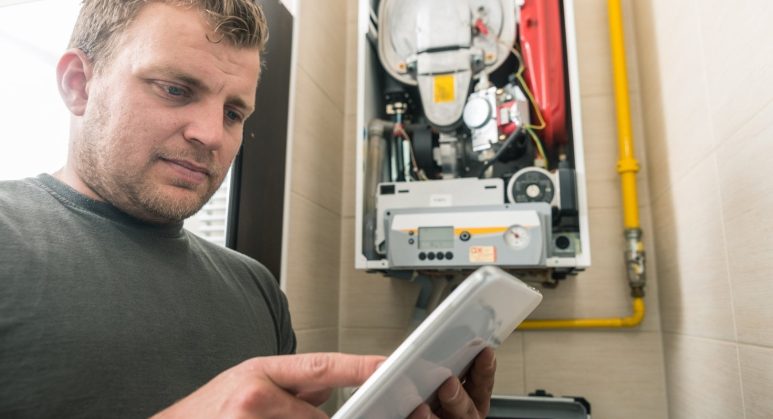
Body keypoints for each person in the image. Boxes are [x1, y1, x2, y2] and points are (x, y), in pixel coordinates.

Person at [0, 1, 496, 418]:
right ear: (79, 85)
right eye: (176, 89)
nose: (212, 135)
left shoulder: (257, 289)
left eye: (234, 113)